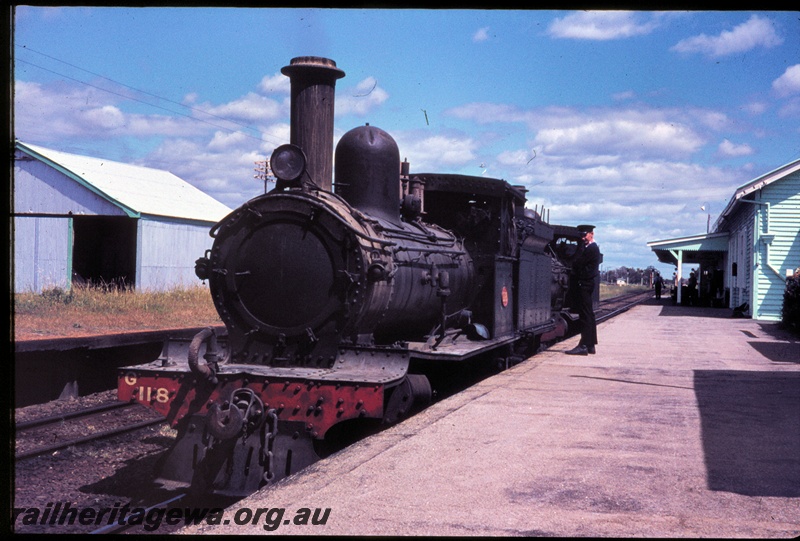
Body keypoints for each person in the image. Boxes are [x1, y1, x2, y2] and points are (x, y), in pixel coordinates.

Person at [566, 224, 602, 356]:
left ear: (591, 234)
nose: (582, 238)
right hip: (586, 283)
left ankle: (584, 345)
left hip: (584, 284)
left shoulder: (591, 249)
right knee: (589, 314)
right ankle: (591, 345)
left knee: (585, 315)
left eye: (584, 235)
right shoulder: (590, 248)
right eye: (581, 235)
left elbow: (578, 263)